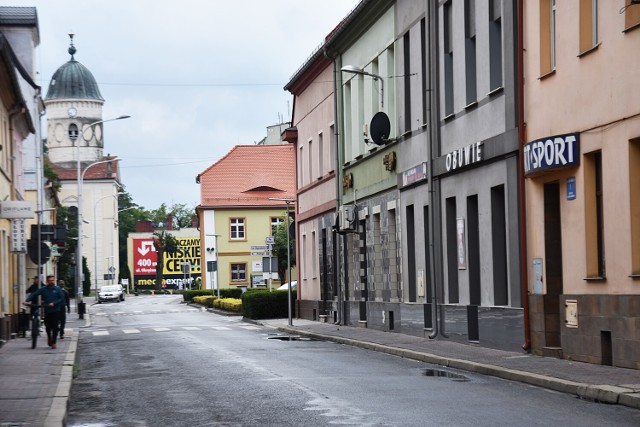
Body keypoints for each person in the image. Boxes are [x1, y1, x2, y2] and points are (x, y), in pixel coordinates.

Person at [24, 275, 64, 349]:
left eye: (52, 280)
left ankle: (54, 342)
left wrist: (54, 303)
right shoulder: (43, 289)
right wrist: (27, 300)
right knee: (48, 326)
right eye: (50, 280)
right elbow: (34, 294)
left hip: (56, 310)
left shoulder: (57, 289)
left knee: (55, 327)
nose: (51, 282)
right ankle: (49, 337)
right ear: (47, 281)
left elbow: (61, 298)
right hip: (47, 310)